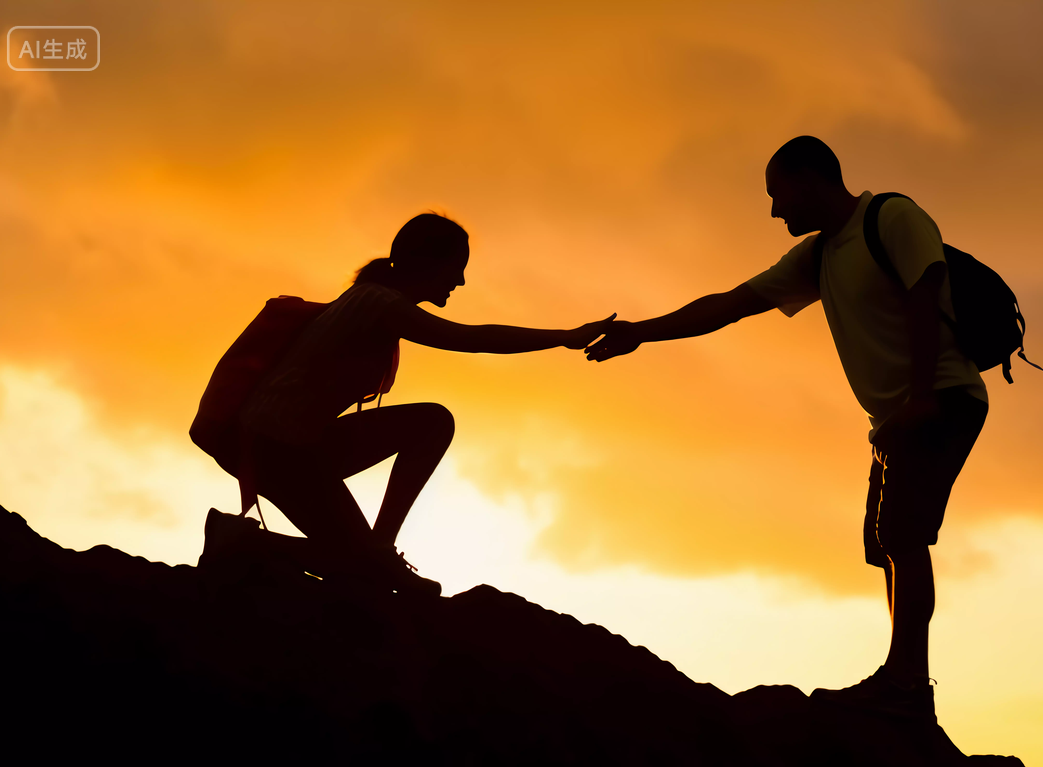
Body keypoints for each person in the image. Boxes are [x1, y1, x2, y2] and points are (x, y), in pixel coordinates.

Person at [586, 136, 988, 718]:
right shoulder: (819, 255)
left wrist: (920, 398)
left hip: (941, 400)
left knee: (903, 536)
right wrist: (641, 332)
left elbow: (926, 292)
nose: (776, 211)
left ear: (809, 180)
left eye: (779, 195)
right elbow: (730, 304)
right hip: (895, 419)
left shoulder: (893, 216)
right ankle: (907, 683)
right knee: (888, 543)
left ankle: (905, 684)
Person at [206, 212, 611, 595]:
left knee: (432, 422)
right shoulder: (377, 303)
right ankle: (248, 543)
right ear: (423, 262)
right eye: (457, 266)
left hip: (301, 446)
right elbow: (471, 339)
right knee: (363, 570)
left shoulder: (373, 301)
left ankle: (378, 549)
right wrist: (562, 336)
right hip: (275, 448)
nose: (463, 280)